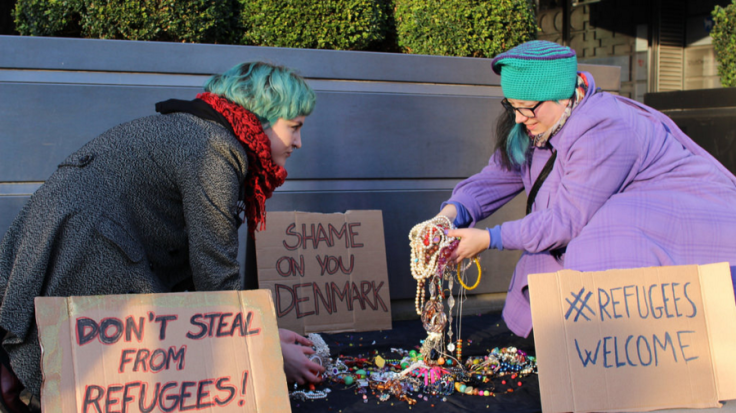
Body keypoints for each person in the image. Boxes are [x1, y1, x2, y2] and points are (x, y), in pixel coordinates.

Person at [0, 61, 324, 409]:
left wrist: (266, 331)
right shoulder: (214, 148)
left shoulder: (196, 129)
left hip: (62, 242)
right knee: (92, 383)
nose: (299, 142)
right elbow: (215, 273)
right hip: (91, 252)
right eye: (294, 127)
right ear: (261, 118)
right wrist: (268, 347)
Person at [436, 40, 736, 338]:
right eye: (511, 106)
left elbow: (566, 219)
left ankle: (619, 353)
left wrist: (489, 239)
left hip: (689, 227)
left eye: (526, 109)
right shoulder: (538, 122)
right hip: (644, 230)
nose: (518, 118)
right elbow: (497, 177)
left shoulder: (604, 127)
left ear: (562, 97)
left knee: (598, 239)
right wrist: (451, 214)